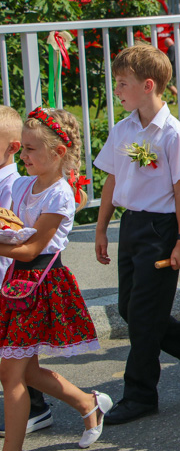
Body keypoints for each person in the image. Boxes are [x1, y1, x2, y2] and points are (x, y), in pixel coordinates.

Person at [94, 44, 180, 425]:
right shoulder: (123, 127)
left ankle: (140, 394)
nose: (117, 90)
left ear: (148, 85)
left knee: (145, 318)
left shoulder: (173, 135)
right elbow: (113, 179)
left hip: (161, 228)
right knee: (132, 310)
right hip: (132, 224)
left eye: (122, 83)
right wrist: (101, 228)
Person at [0, 108, 109, 450]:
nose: (24, 155)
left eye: (31, 149)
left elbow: (33, 249)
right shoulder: (23, 185)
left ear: (58, 152)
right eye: (23, 148)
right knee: (26, 372)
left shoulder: (60, 194)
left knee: (11, 376)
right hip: (18, 283)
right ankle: (87, 403)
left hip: (42, 284)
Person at [0, 106, 54, 438]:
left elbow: (20, 237)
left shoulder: (16, 186)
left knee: (16, 367)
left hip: (11, 284)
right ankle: (83, 404)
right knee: (20, 367)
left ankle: (54, 406)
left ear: (12, 147)